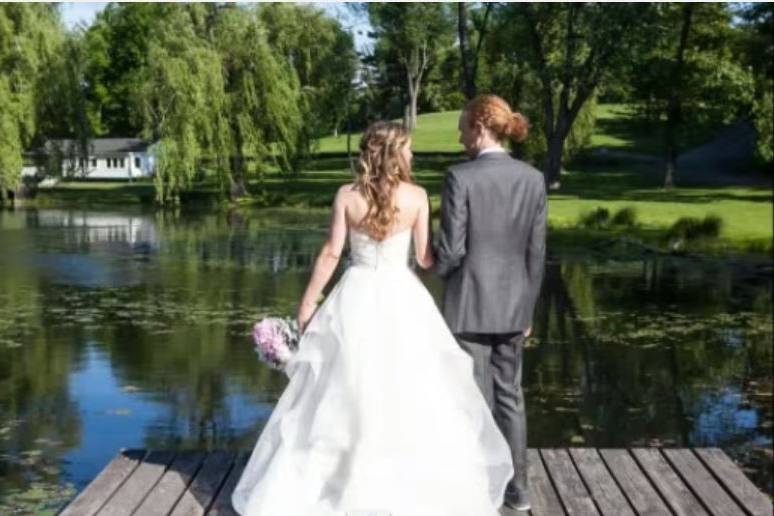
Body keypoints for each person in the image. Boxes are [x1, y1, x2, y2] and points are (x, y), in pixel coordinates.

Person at [232, 121, 513, 516]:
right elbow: (424, 260)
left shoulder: (347, 195)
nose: (413, 155)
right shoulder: (417, 197)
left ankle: (338, 478)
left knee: (347, 385)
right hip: (403, 297)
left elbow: (331, 253)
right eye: (409, 149)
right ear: (395, 153)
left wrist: (308, 304)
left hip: (356, 296)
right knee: (408, 386)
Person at [435, 94, 547, 513]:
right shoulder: (533, 179)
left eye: (463, 126)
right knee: (510, 397)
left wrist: (425, 267)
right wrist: (529, 309)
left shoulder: (459, 178)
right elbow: (537, 252)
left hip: (468, 306)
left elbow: (451, 251)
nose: (460, 135)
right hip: (515, 306)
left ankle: (480, 488)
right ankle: (518, 492)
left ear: (480, 127)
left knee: (472, 397)